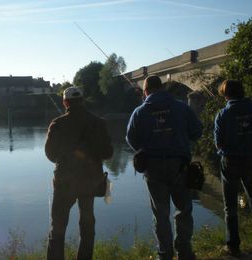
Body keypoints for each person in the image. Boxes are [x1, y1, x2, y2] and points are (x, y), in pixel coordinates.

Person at [126, 75, 202, 260]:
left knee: (160, 213)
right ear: (162, 88)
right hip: (180, 166)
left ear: (145, 92)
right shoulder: (182, 107)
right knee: (183, 210)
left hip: (153, 168)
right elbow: (197, 132)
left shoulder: (139, 112)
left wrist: (145, 148)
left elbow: (131, 139)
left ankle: (164, 255)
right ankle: (184, 252)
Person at [45, 86, 113, 260]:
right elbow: (108, 153)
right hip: (91, 181)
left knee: (58, 226)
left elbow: (50, 155)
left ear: (65, 102)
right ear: (82, 101)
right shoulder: (99, 122)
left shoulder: (57, 123)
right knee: (87, 223)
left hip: (64, 182)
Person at [214, 79, 252, 257]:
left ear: (226, 94)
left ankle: (233, 246)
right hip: (249, 161)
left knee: (229, 206)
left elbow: (218, 143)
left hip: (229, 162)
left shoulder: (223, 114)